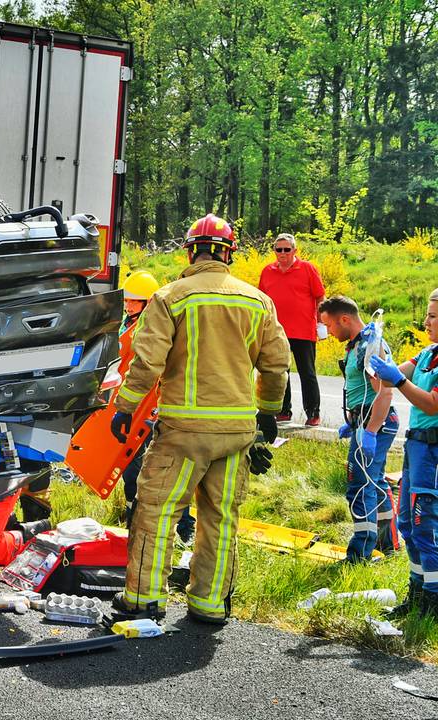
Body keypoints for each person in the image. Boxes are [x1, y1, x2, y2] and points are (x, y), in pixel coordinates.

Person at [110, 214, 289, 624]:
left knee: (156, 511)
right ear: (230, 254)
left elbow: (147, 361)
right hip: (236, 433)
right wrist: (267, 413)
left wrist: (125, 406)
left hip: (183, 432)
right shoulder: (257, 301)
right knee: (221, 518)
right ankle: (209, 605)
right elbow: (276, 366)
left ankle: (143, 599)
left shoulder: (171, 297)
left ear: (190, 250)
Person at [367, 289, 438, 619]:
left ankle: (434, 601)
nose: (426, 321)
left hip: (433, 452)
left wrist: (398, 380)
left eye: (433, 316)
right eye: (427, 314)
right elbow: (387, 376)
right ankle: (417, 593)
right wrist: (374, 351)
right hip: (415, 447)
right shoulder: (426, 354)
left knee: (427, 526)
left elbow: (432, 403)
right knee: (408, 524)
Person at [118, 271, 196, 545]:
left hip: (156, 413)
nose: (129, 306)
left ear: (147, 302)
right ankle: (134, 520)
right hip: (134, 411)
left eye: (134, 302)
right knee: (130, 471)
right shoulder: (125, 325)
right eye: (127, 301)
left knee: (167, 473)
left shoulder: (158, 325)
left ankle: (185, 526)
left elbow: (150, 367)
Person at [318, 296, 398, 562]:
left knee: (359, 487)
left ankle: (359, 555)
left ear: (345, 319)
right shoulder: (356, 345)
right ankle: (390, 544)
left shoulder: (370, 345)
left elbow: (384, 393)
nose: (328, 333)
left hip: (376, 422)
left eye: (329, 326)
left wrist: (371, 430)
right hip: (364, 421)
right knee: (374, 482)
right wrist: (352, 423)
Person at [258, 233, 326, 426]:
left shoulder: (307, 269)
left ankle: (313, 413)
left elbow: (320, 297)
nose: (282, 253)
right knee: (280, 373)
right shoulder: (267, 271)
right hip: (277, 332)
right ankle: (283, 411)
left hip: (304, 331)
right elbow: (262, 301)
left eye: (287, 249)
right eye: (278, 249)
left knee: (308, 373)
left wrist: (321, 324)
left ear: (295, 250)